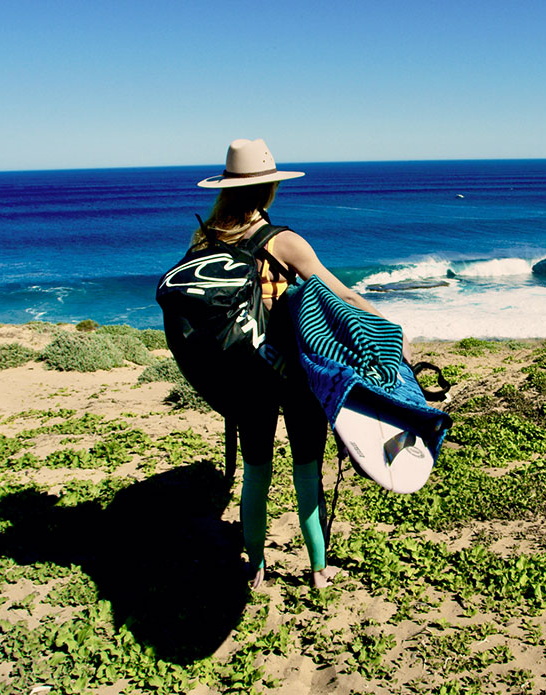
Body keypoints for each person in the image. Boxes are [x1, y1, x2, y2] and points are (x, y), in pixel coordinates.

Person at [190, 138, 408, 590]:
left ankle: (255, 567)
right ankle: (317, 569)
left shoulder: (205, 240)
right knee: (306, 472)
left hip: (244, 375)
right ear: (269, 189)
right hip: (295, 376)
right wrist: (387, 326)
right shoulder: (282, 241)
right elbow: (340, 293)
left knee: (256, 473)